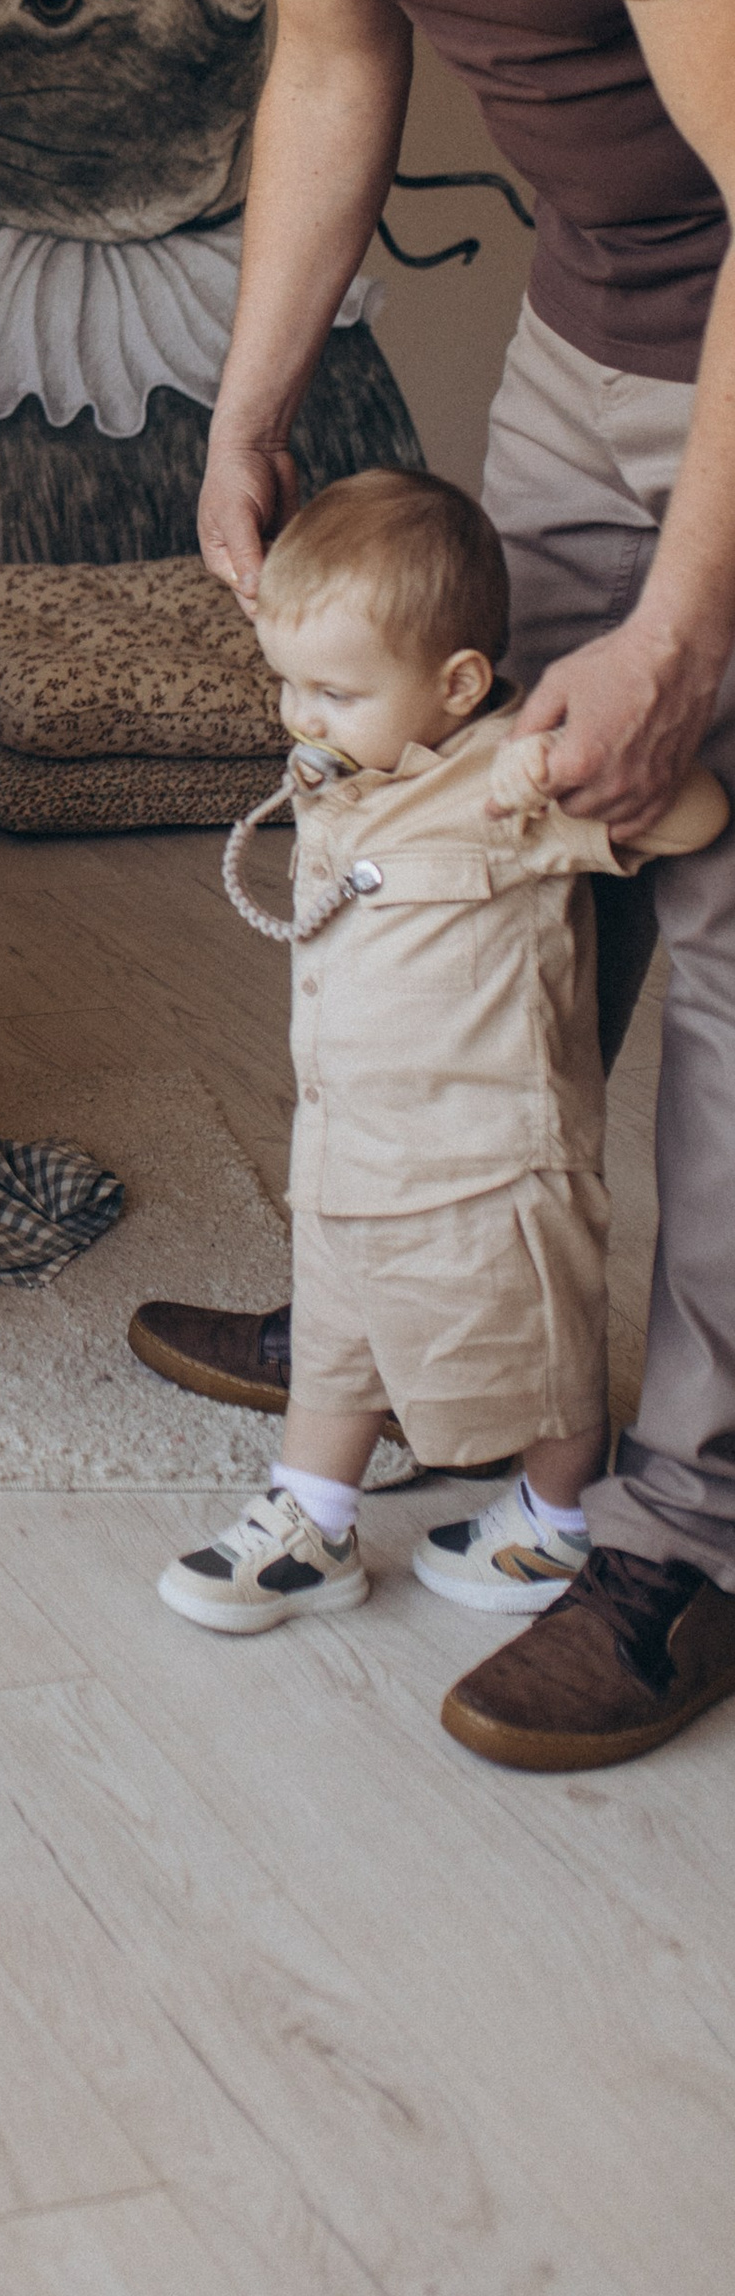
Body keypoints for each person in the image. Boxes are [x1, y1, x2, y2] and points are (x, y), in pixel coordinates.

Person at [0, 0, 735, 1767]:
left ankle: (686, 1529)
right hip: (601, 324)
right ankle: (418, 1327)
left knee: (713, 910)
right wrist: (241, 404)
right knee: (477, 831)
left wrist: (680, 631)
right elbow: (326, 59)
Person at [154, 469, 722, 1639]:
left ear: (457, 685)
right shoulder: (350, 771)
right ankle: (313, 1519)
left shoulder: (514, 780)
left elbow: (698, 818)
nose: (302, 717)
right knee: (336, 1341)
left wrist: (559, 770)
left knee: (533, 1346)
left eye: (334, 692)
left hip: (483, 1166)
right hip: (348, 1150)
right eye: (289, 686)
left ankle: (555, 1517)